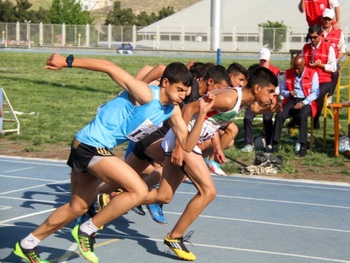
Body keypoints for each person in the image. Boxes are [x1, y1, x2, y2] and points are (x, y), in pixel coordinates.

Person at [13, 53, 216, 263]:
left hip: (90, 147)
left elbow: (187, 145)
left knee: (78, 207)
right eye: (180, 90)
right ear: (166, 82)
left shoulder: (172, 111)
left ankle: (27, 244)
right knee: (138, 190)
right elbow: (109, 66)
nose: (183, 95)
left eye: (186, 92)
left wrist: (201, 114)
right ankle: (88, 229)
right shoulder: (146, 94)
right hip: (91, 144)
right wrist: (68, 61)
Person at [141, 67, 280, 261]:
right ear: (257, 88)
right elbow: (189, 109)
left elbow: (255, 109)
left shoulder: (242, 99)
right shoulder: (230, 98)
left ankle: (117, 199)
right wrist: (180, 146)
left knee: (163, 196)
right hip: (185, 141)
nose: (273, 95)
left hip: (188, 142)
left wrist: (271, 108)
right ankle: (174, 237)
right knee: (208, 192)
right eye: (270, 91)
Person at [97, 63, 232, 225]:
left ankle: (91, 200)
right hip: (155, 138)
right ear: (210, 82)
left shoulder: (204, 100)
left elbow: (213, 125)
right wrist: (137, 93)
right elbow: (161, 69)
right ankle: (143, 198)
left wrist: (217, 146)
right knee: (172, 171)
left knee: (113, 183)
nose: (219, 94)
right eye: (219, 89)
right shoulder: (190, 89)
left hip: (151, 136)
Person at [270, 54, 319, 157]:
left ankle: (303, 145)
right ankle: (274, 143)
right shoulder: (288, 73)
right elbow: (282, 90)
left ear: (304, 65)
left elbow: (315, 93)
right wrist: (288, 93)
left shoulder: (313, 74)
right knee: (280, 115)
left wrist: (303, 103)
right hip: (292, 99)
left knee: (302, 116)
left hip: (306, 100)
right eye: (294, 68)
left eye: (298, 69)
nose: (296, 71)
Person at [241, 48, 281, 152]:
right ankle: (249, 143)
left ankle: (269, 143)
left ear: (269, 60)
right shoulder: (255, 71)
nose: (263, 63)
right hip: (255, 101)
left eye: (265, 61)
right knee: (247, 118)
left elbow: (278, 89)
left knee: (267, 119)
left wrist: (270, 95)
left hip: (269, 100)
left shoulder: (275, 71)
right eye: (261, 60)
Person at [302, 25, 337, 129]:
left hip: (324, 79)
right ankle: (297, 118)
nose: (312, 40)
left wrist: (320, 65)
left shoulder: (328, 47)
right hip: (309, 79)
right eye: (311, 37)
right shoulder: (305, 48)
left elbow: (334, 68)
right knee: (299, 91)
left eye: (315, 37)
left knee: (319, 93)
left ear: (320, 35)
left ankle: (315, 119)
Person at [321, 8, 346, 97]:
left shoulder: (339, 32)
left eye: (329, 19)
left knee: (335, 72)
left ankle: (330, 95)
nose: (327, 21)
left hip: (332, 61)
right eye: (325, 18)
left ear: (332, 20)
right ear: (322, 19)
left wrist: (337, 60)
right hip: (319, 60)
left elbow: (342, 50)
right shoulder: (317, 32)